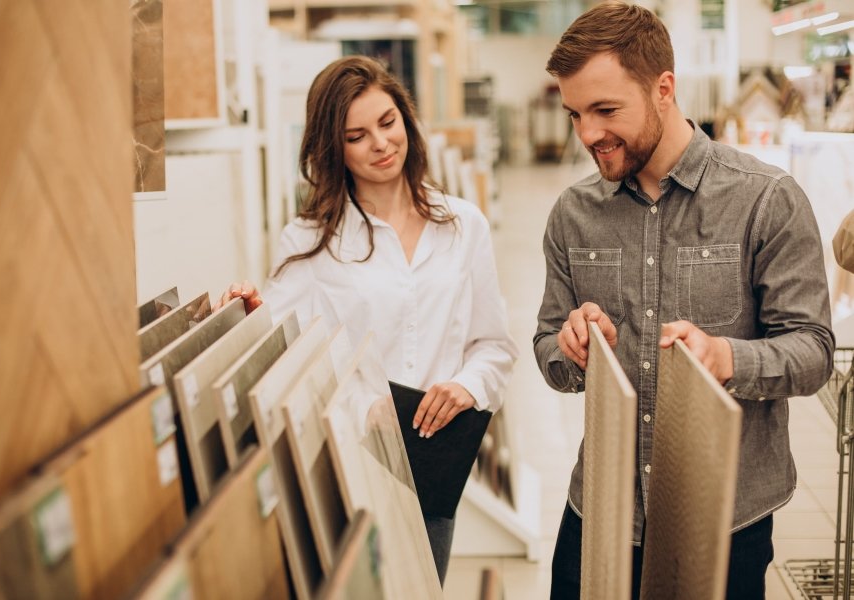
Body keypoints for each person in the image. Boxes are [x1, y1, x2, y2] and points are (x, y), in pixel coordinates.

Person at [532, 3, 834, 599]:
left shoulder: (766, 201)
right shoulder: (573, 214)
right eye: (574, 114)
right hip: (601, 508)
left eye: (605, 110)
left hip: (725, 518)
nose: (588, 134)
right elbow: (548, 347)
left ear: (664, 88)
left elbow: (814, 350)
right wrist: (569, 349)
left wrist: (725, 358)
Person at [217, 55, 518, 585]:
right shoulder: (310, 241)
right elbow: (284, 353)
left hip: (431, 462)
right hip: (351, 461)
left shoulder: (463, 226)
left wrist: (466, 386)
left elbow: (494, 346)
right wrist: (247, 314)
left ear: (406, 119)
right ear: (334, 149)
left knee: (425, 589)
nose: (381, 144)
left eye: (387, 123)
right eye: (357, 136)